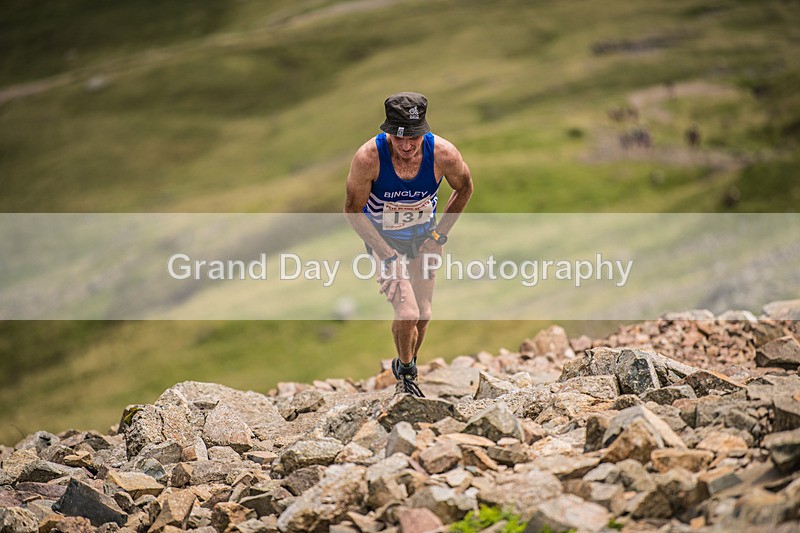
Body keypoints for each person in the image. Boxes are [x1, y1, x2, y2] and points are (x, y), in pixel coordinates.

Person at [344, 92, 473, 397]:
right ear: (388, 131)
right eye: (398, 138)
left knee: (423, 314)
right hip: (383, 240)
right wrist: (387, 256)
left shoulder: (444, 154)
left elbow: (465, 188)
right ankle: (407, 375)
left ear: (423, 130)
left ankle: (404, 361)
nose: (405, 146)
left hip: (423, 239)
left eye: (413, 138)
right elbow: (352, 210)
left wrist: (439, 236)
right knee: (407, 313)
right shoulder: (368, 158)